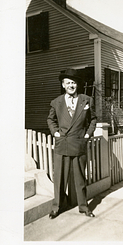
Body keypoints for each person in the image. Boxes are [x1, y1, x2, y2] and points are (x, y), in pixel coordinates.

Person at [47, 68, 97, 219]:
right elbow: (51, 119)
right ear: (63, 85)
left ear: (77, 85)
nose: (71, 85)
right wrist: (55, 132)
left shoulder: (86, 100)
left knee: (80, 179)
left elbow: (93, 119)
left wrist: (87, 135)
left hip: (78, 143)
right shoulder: (56, 102)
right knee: (59, 179)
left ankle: (83, 207)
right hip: (62, 144)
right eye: (68, 83)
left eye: (73, 83)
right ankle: (57, 207)